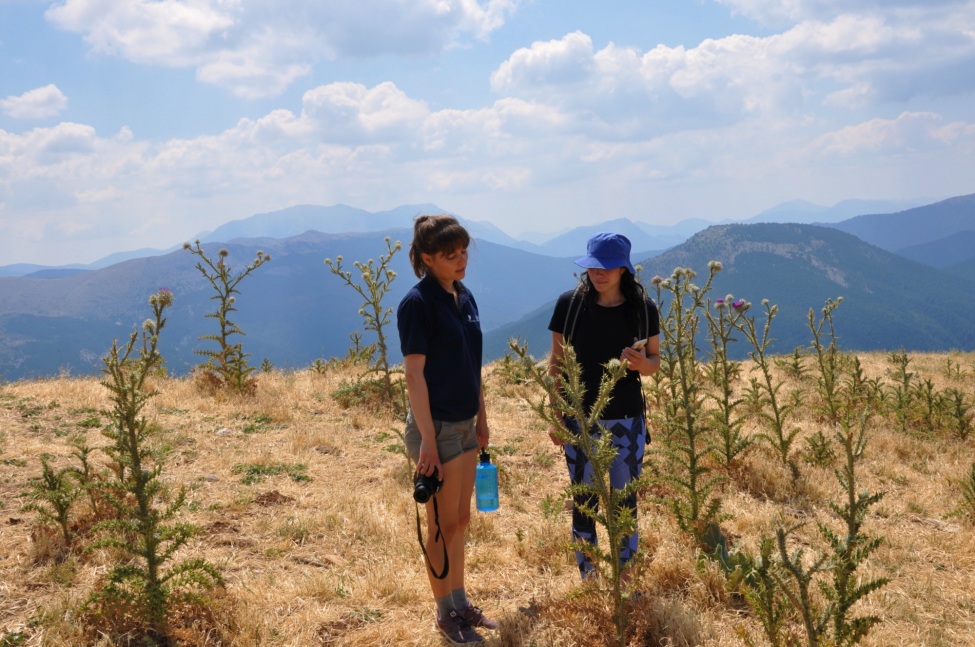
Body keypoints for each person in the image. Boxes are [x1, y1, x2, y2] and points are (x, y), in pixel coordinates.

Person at [397, 214, 498, 645]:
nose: (461, 260)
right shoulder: (417, 304)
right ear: (426, 259)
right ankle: (445, 614)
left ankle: (460, 602)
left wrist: (483, 417)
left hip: (464, 424)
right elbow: (414, 376)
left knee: (459, 520)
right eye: (450, 254)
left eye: (463, 251)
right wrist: (428, 444)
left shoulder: (465, 297)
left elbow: (472, 366)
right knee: (440, 525)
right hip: (435, 429)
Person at [546, 231, 661, 581]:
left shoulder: (643, 308)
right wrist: (556, 416)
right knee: (585, 503)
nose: (599, 274)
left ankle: (626, 579)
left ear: (623, 269)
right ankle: (590, 578)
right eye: (594, 267)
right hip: (580, 420)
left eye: (608, 268)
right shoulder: (569, 306)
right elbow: (556, 363)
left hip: (627, 420)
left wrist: (641, 364)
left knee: (625, 504)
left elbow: (655, 360)